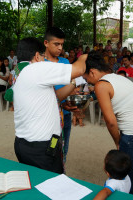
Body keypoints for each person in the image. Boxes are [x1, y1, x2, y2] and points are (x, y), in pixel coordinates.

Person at [13, 37, 87, 174]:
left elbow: (55, 97)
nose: (44, 59)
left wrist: (73, 84)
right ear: (36, 56)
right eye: (43, 56)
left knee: (34, 183)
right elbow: (79, 69)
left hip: (24, 143)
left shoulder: (20, 72)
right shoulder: (36, 68)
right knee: (52, 185)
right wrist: (84, 56)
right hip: (42, 147)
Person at [83, 51, 133, 195]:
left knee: (129, 178)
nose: (89, 83)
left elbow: (110, 121)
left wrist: (118, 142)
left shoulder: (101, 85)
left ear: (93, 72)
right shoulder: (117, 77)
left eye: (87, 79)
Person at [44, 27, 77, 164]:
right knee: (51, 146)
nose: (60, 48)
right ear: (46, 43)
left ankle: (61, 170)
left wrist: (73, 99)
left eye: (62, 44)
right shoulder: (39, 63)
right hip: (48, 116)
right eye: (56, 44)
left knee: (64, 147)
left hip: (65, 114)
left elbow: (70, 87)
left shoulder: (65, 62)